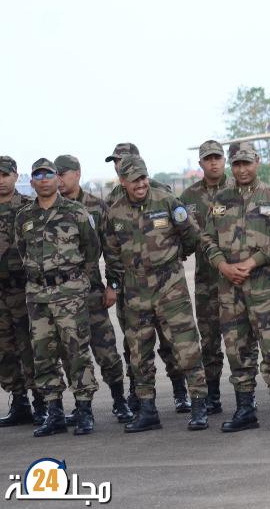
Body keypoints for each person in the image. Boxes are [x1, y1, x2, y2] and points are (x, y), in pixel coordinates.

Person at [103, 155, 208, 433]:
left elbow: (192, 236)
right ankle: (147, 409)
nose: (141, 183)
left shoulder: (167, 202)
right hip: (135, 291)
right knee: (139, 352)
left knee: (186, 347)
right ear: (123, 181)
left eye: (143, 177)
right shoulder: (114, 213)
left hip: (169, 286)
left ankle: (199, 405)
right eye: (134, 179)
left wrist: (175, 259)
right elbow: (112, 254)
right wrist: (115, 284)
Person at [202, 142, 270, 432]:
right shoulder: (219, 199)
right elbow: (206, 239)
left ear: (257, 162)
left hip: (264, 285)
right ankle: (245, 408)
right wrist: (223, 266)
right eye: (237, 164)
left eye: (247, 163)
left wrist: (253, 262)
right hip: (229, 286)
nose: (242, 169)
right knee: (236, 349)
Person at [15, 158, 100, 436]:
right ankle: (54, 413)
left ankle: (84, 410)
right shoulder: (24, 217)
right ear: (32, 180)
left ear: (56, 178)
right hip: (37, 296)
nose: (43, 179)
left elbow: (91, 249)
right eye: (37, 175)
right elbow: (21, 251)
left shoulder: (76, 212)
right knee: (43, 355)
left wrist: (81, 281)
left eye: (48, 174)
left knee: (76, 352)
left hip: (69, 294)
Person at [54, 154, 132, 425]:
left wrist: (112, 286)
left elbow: (112, 251)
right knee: (71, 353)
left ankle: (120, 401)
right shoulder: (51, 208)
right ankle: (80, 404)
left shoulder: (96, 207)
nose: (59, 179)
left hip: (91, 291)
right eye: (56, 174)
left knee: (106, 348)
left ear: (77, 173)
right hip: (61, 297)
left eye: (63, 173)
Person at [180, 140, 232, 416]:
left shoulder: (237, 190)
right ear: (200, 163)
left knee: (241, 339)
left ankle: (245, 394)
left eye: (217, 157)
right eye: (208, 159)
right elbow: (182, 238)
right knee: (209, 339)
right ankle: (212, 394)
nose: (213, 163)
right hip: (206, 279)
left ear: (224, 160)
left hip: (236, 277)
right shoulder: (188, 198)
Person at [0, 156, 43, 427]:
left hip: (23, 291)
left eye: (5, 175)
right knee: (4, 349)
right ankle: (19, 401)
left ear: (16, 175)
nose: (1, 181)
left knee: (31, 347)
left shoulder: (28, 209)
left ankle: (41, 401)